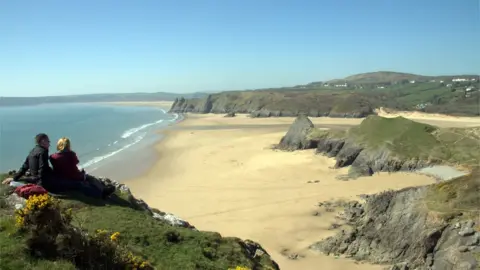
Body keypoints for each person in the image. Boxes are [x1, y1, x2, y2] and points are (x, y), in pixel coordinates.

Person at [49, 137, 115, 199]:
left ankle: (103, 188)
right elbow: (76, 162)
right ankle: (103, 191)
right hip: (74, 176)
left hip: (62, 177)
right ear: (68, 145)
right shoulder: (71, 154)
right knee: (91, 179)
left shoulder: (52, 157)